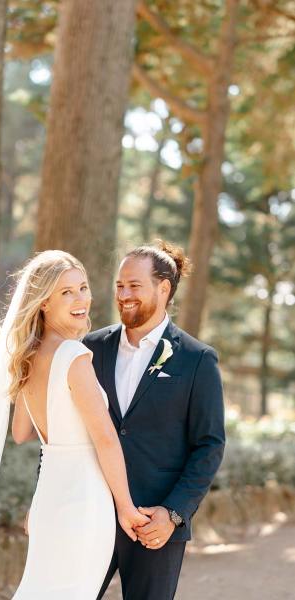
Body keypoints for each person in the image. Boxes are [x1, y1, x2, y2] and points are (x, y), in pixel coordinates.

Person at [0, 250, 148, 600]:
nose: (81, 299)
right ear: (43, 303)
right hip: (84, 502)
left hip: (49, 501)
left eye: (82, 287)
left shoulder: (29, 358)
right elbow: (106, 439)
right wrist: (126, 508)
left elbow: (23, 432)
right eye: (66, 292)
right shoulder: (73, 356)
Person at [83, 240, 226, 600]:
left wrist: (173, 513)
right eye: (119, 285)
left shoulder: (197, 360)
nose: (124, 294)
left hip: (154, 523)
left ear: (164, 288)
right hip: (88, 512)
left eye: (135, 285)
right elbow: (62, 434)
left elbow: (209, 446)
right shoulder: (88, 349)